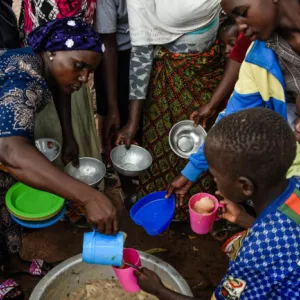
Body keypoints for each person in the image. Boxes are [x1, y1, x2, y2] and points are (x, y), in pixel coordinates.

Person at [0, 18, 118, 299]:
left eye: (90, 71)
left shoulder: (46, 67)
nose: (84, 78)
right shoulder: (22, 78)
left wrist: (70, 136)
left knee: (4, 203)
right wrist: (88, 197)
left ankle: (13, 262)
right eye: (79, 66)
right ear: (51, 52)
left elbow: (60, 89)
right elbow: (9, 150)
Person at [135, 108, 300, 299]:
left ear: (245, 186)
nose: (215, 182)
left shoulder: (254, 254)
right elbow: (287, 237)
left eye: (215, 176)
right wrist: (245, 219)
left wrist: (158, 289)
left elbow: (271, 244)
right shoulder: (295, 184)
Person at [167, 0, 300, 203]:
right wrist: (191, 172)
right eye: (235, 18)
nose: (240, 27)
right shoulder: (258, 57)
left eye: (243, 13)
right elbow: (233, 119)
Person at [116, 0, 224, 220]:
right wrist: (133, 121)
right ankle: (163, 208)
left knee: (205, 144)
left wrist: (214, 102)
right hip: (169, 82)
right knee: (164, 147)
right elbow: (141, 54)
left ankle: (200, 211)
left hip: (211, 77)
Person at [94, 0, 142, 160]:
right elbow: (109, 43)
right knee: (112, 114)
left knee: (138, 110)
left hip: (144, 48)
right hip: (114, 57)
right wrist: (112, 106)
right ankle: (108, 154)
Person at [190, 29, 251, 128]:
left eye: (233, 44)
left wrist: (211, 105)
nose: (227, 49)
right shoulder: (221, 70)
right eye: (222, 46)